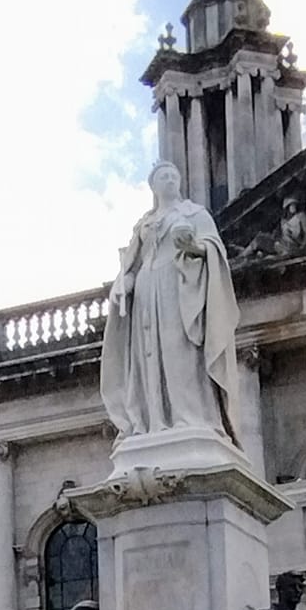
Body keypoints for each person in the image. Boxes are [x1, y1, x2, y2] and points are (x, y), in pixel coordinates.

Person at [100, 160, 240, 442]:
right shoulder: (144, 223)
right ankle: (155, 420)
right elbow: (132, 263)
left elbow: (213, 247)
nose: (170, 180)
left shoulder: (194, 213)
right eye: (163, 176)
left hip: (179, 287)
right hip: (145, 291)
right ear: (153, 185)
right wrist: (124, 282)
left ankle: (190, 417)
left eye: (173, 175)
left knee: (180, 353)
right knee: (150, 357)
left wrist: (194, 247)